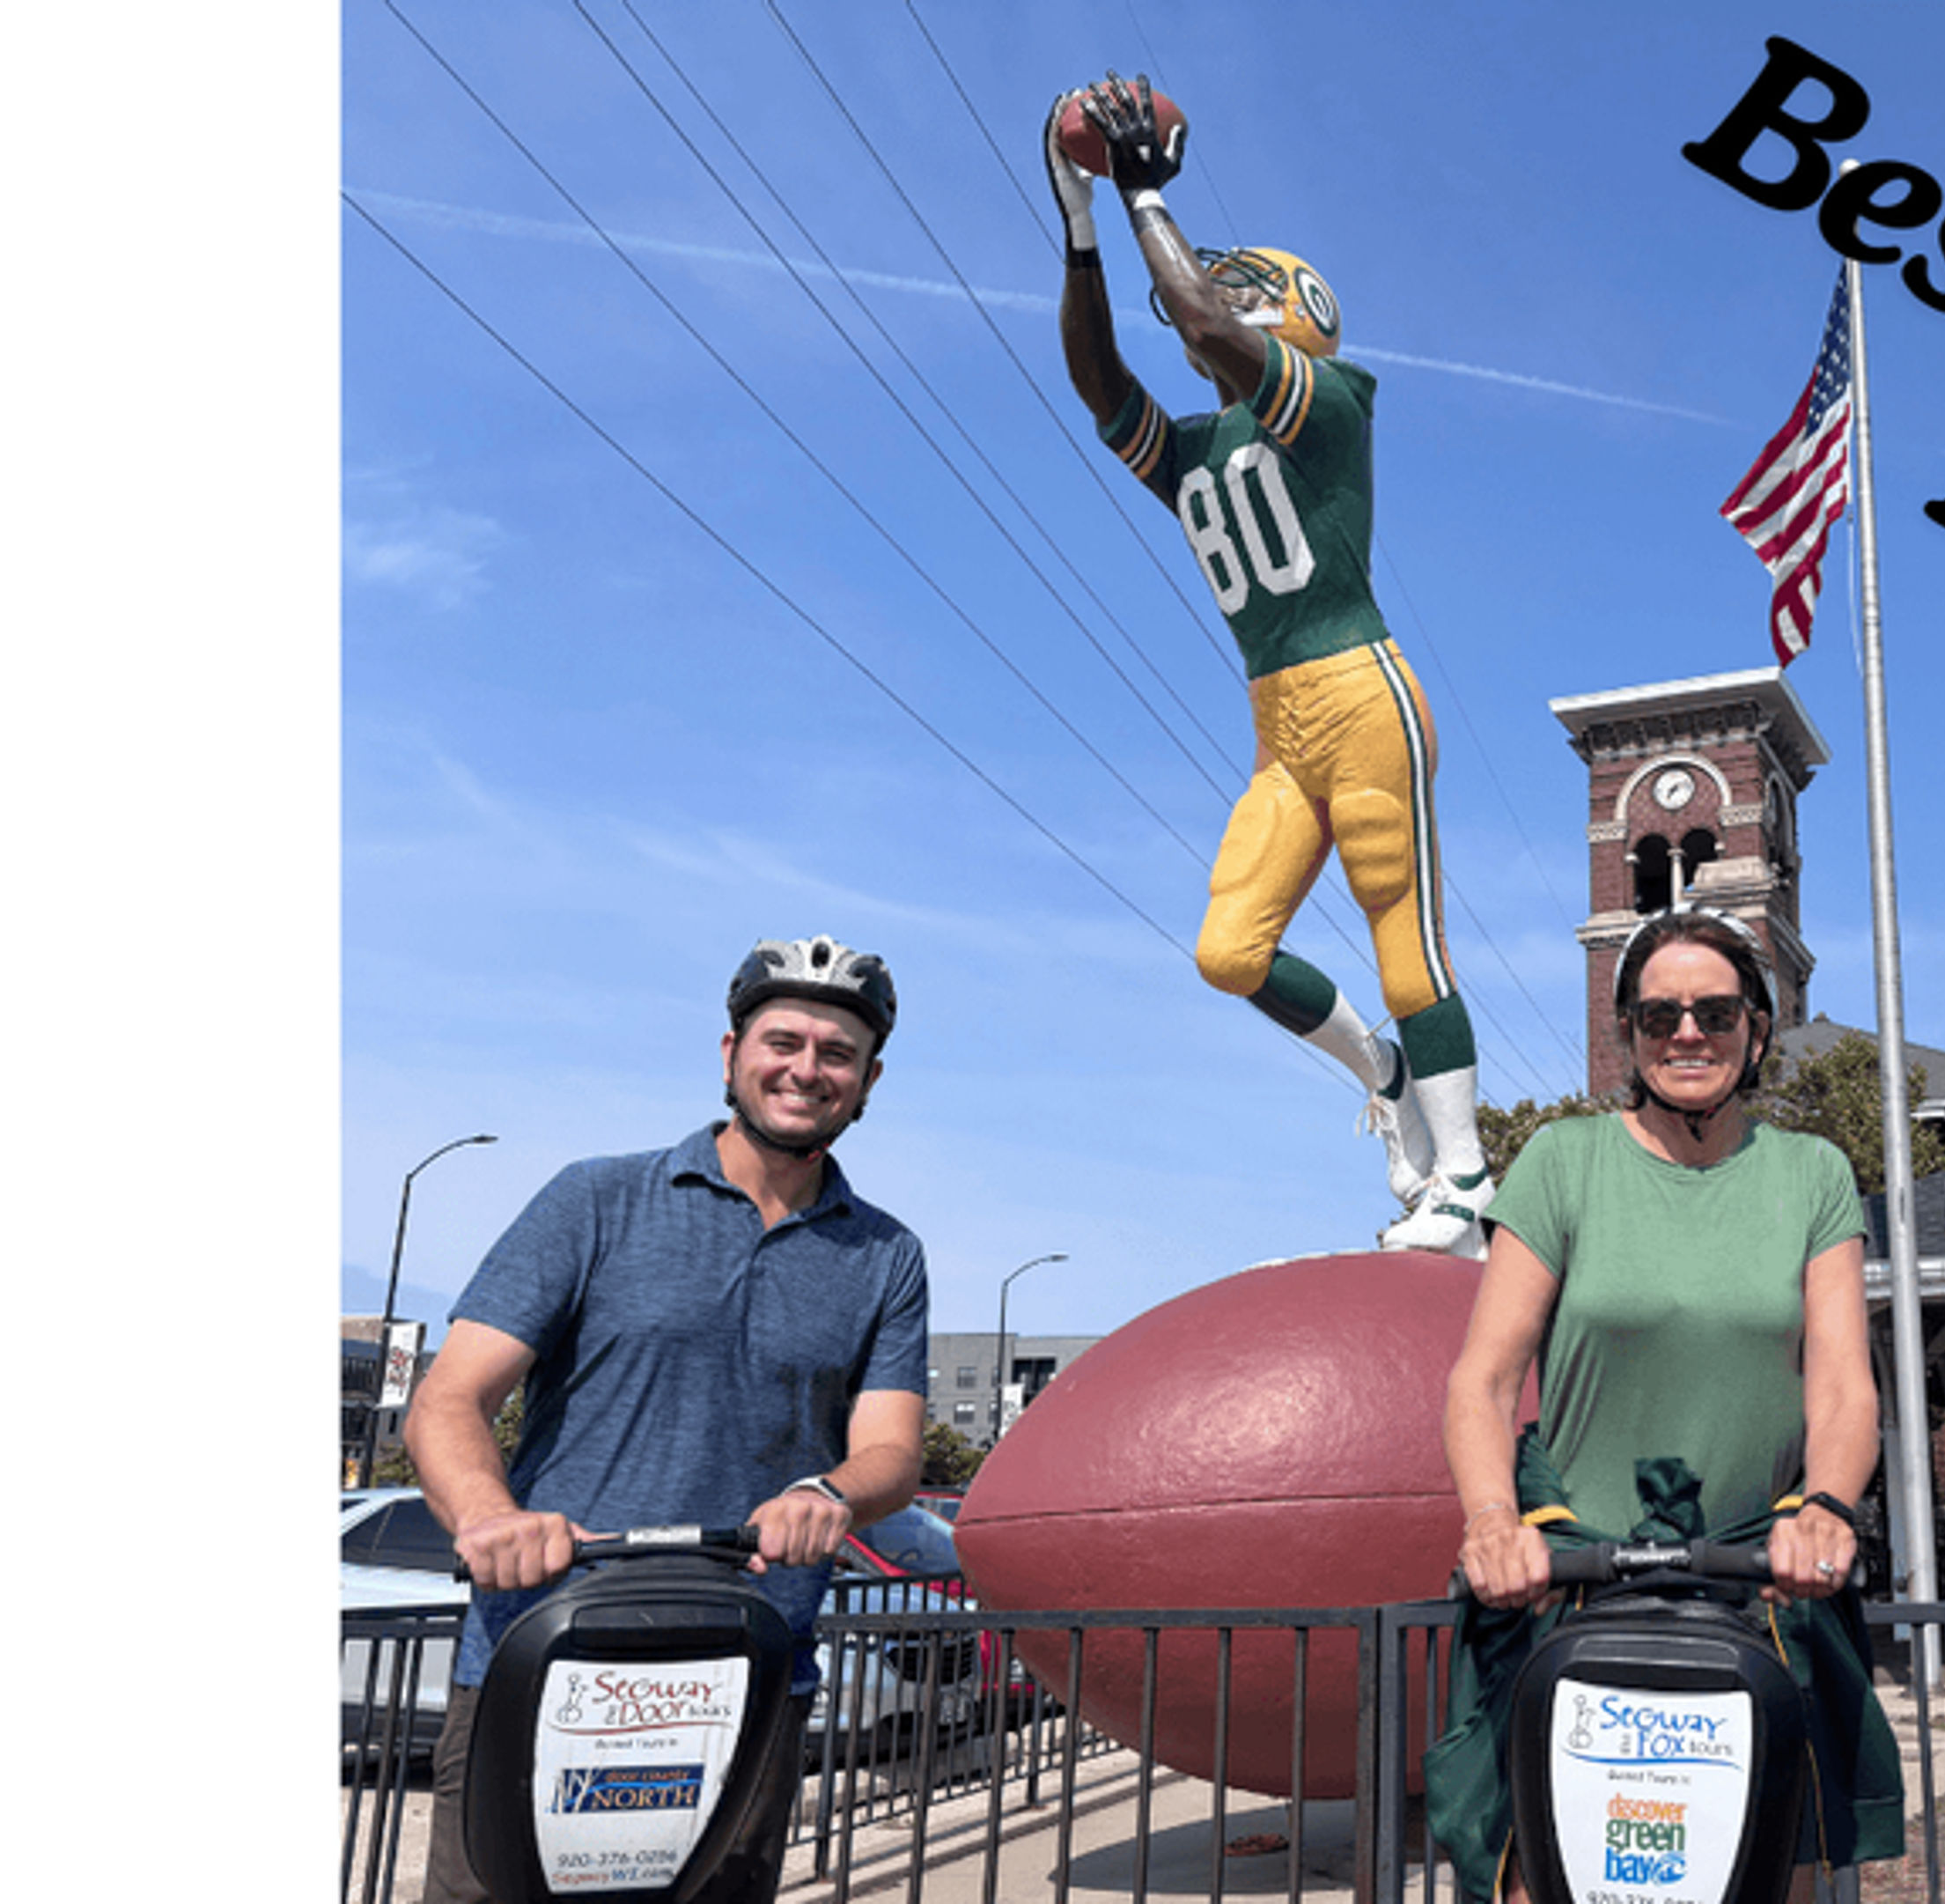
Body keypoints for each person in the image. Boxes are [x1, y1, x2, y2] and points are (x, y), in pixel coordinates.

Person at [1044, 73, 1490, 1256]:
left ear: (1295, 310)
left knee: (1405, 933)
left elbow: (1199, 321)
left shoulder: (1329, 400)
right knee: (1229, 949)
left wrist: (1143, 198)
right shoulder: (1196, 450)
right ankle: (1384, 1072)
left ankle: (1468, 1172)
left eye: (1244, 286)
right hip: (1277, 723)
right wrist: (1083, 223)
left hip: (1358, 684)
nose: (1210, 294)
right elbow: (1102, 387)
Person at [404, 935, 932, 1904]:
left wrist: (831, 1491)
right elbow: (450, 1396)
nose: (806, 1068)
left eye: (837, 1053)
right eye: (784, 1040)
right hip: (550, 1648)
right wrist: (488, 1516)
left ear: (868, 1080)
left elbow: (892, 1451)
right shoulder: (597, 1199)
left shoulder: (887, 1255)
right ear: (730, 1050)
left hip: (745, 1668)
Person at [1431, 905, 1904, 1903]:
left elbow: (1840, 1378)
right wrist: (1489, 1522)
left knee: (1772, 1870)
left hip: (1758, 1579)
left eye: (1717, 1011)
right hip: (1576, 1576)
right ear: (1629, 1036)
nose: (1688, 1032)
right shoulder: (1564, 1161)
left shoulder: (1810, 1173)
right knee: (1543, 1870)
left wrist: (1826, 1506)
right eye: (1659, 1016)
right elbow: (1483, 1375)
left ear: (1758, 1029)